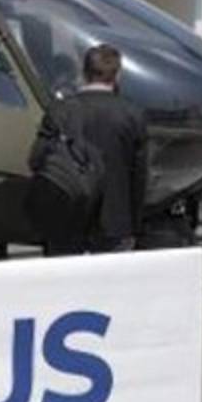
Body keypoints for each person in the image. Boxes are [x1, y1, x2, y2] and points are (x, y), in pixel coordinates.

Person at [64, 45, 149, 253]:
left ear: (84, 73)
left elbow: (39, 159)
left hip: (69, 218)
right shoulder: (132, 113)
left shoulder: (62, 111)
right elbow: (139, 175)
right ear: (117, 75)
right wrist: (135, 222)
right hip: (116, 221)